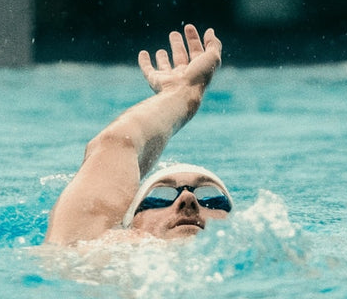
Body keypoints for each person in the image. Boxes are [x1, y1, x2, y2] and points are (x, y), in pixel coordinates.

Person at [45, 25, 232, 245]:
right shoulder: (90, 252)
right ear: (129, 226)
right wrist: (182, 94)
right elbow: (116, 143)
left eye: (211, 198)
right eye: (160, 198)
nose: (188, 199)